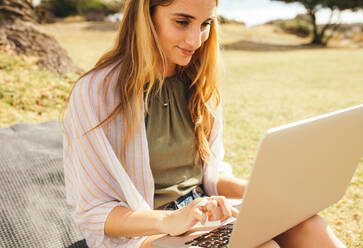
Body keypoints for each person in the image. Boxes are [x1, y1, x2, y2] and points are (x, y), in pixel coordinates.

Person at [61, 0, 347, 247]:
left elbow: (210, 177)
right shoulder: (96, 92)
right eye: (182, 22)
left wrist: (264, 194)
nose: (196, 40)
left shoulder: (199, 83)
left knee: (307, 224)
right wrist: (170, 220)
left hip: (202, 215)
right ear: (146, 16)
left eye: (205, 23)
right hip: (143, 234)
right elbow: (93, 210)